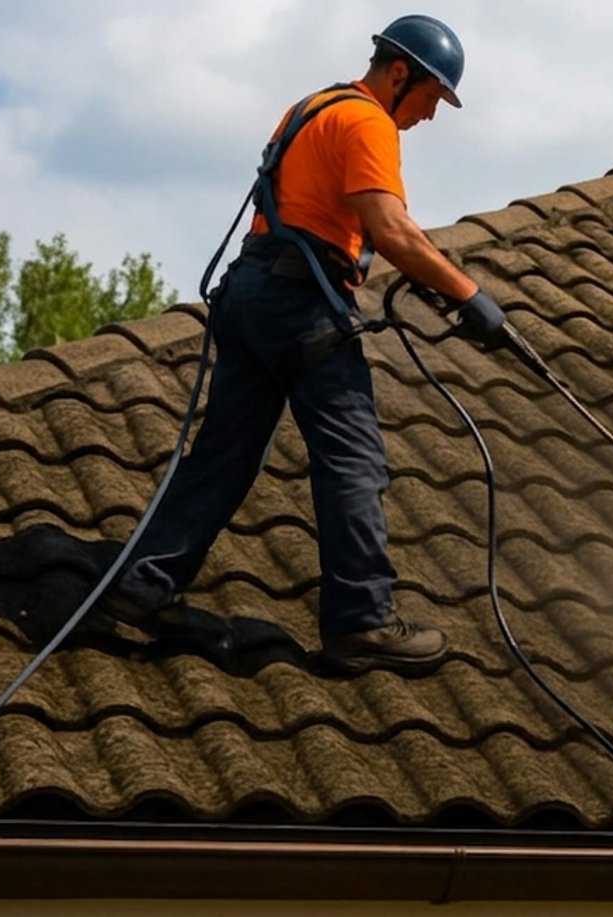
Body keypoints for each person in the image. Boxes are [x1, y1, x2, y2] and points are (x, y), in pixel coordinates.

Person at [101, 14, 509, 674]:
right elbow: (392, 229)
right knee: (353, 456)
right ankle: (361, 619)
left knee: (224, 455)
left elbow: (365, 223)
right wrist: (471, 297)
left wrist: (430, 276)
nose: (432, 116)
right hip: (300, 306)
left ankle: (143, 583)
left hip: (251, 294)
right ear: (400, 74)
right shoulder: (368, 120)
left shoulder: (311, 107)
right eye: (433, 97)